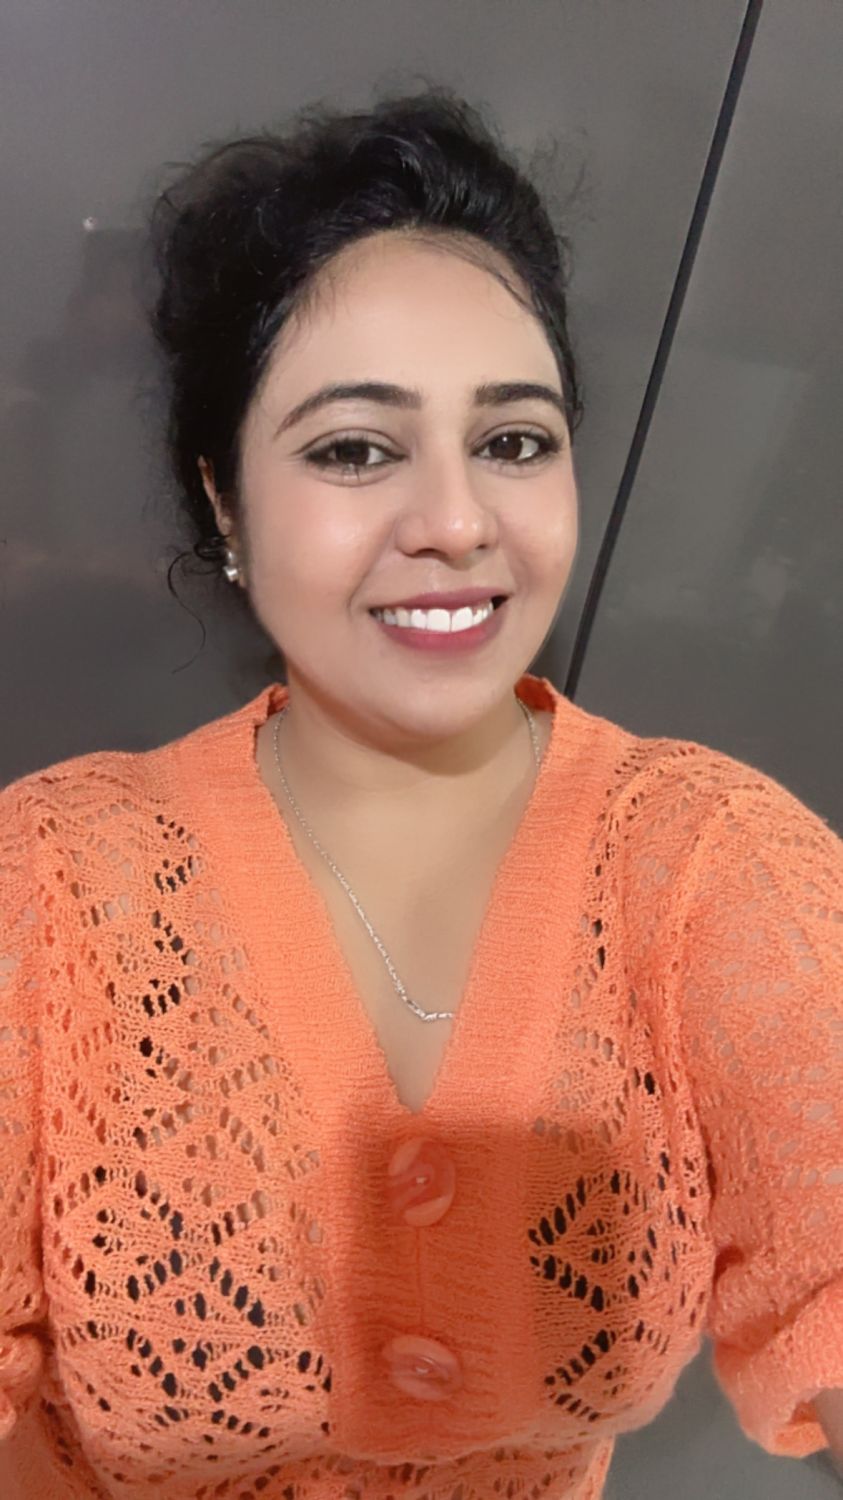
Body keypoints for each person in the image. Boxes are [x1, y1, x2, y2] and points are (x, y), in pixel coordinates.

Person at [1, 82, 842, 1500]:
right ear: (225, 500)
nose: (457, 521)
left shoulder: (712, 863)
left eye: (513, 440)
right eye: (354, 448)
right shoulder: (49, 885)